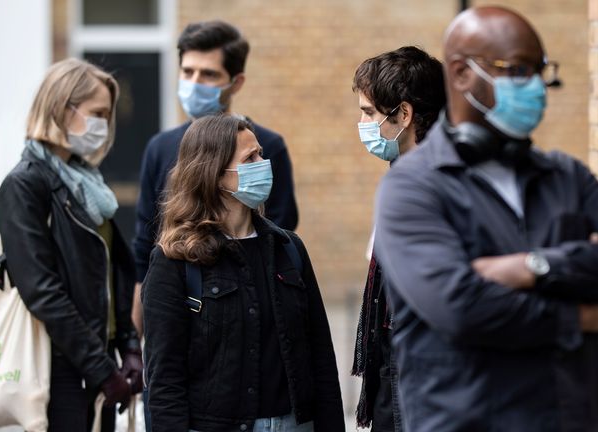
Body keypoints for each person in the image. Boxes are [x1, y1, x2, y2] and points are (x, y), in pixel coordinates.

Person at [373, 6, 598, 431]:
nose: (536, 88)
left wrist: (532, 266)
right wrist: (575, 316)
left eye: (539, 72)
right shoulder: (413, 188)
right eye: (518, 70)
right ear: (462, 74)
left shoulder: (565, 175)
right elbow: (459, 305)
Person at [142, 115, 343, 432]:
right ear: (215, 173)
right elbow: (164, 378)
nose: (262, 163)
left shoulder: (288, 248)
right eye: (250, 158)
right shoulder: (174, 260)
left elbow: (321, 359)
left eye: (260, 154)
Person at [0, 58, 142, 431]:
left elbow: (109, 273)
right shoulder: (25, 184)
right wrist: (100, 368)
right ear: (62, 108)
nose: (104, 125)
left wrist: (128, 346)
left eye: (107, 115)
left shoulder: (85, 182)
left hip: (98, 359)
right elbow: (42, 290)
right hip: (58, 367)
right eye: (97, 113)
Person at [132, 20, 299, 338]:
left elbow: (280, 232)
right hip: (174, 307)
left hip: (248, 309)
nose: (195, 83)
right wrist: (135, 339)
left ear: (235, 83)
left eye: (208, 75)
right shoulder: (160, 148)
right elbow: (145, 245)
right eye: (188, 72)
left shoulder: (266, 147)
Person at [350, 46, 445, 432]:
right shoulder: (401, 174)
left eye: (369, 112)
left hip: (421, 382)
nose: (362, 122)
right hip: (396, 373)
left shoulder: (437, 185)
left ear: (403, 114)